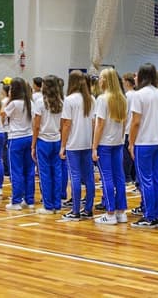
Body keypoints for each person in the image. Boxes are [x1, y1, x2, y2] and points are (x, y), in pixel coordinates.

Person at [128, 63, 158, 229]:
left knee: (146, 180)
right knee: (157, 178)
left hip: (144, 142)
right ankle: (156, 214)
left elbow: (135, 122)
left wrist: (131, 142)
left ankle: (149, 216)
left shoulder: (139, 95)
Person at [91, 69, 128, 225]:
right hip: (118, 143)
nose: (99, 81)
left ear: (106, 80)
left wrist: (94, 147)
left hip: (105, 143)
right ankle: (121, 212)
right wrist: (120, 138)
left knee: (107, 177)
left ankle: (110, 212)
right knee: (119, 177)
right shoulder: (121, 98)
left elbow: (99, 125)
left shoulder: (102, 99)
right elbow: (125, 121)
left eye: (100, 78)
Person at [60, 72, 95, 220]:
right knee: (89, 177)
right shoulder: (91, 99)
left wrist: (62, 145)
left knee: (74, 176)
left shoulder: (69, 100)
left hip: (74, 143)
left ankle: (75, 211)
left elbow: (67, 124)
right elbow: (94, 122)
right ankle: (88, 208)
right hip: (87, 142)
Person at [1, 78, 35, 210]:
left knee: (16, 171)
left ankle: (16, 201)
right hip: (29, 137)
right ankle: (29, 200)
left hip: (16, 139)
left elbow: (2, 114)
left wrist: (8, 99)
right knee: (29, 170)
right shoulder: (29, 102)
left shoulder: (13, 103)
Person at [32, 76, 62, 215]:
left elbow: (36, 126)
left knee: (44, 174)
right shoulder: (62, 102)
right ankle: (57, 203)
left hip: (43, 141)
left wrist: (33, 145)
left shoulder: (40, 103)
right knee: (57, 173)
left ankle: (48, 206)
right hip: (57, 140)